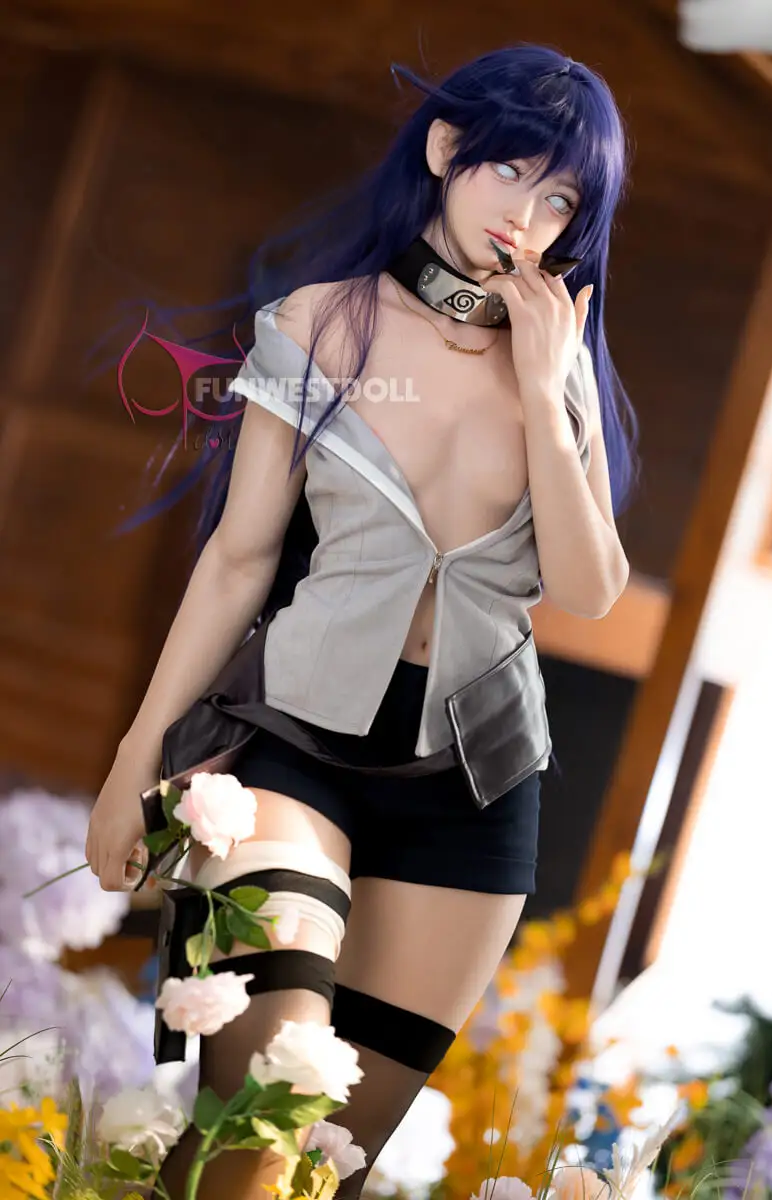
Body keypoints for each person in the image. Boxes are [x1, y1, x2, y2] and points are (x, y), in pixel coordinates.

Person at [86, 42, 638, 1199]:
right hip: (295, 750)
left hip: (474, 792)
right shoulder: (319, 324)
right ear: (444, 149)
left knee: (321, 1171)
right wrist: (138, 756)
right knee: (259, 1122)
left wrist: (546, 389)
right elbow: (238, 559)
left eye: (559, 199)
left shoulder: (559, 364)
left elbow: (587, 590)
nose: (526, 216)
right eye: (508, 172)